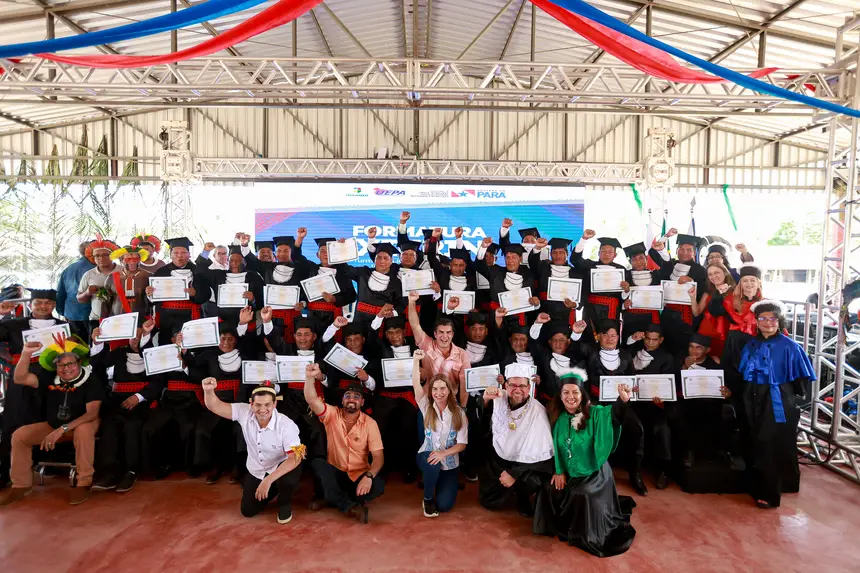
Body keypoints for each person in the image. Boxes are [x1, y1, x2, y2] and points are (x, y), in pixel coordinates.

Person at [533, 370, 636, 557]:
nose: (570, 397)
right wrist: (559, 471)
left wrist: (622, 401)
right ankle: (558, 527)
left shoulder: (594, 414)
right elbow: (555, 447)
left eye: (575, 392)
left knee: (582, 494)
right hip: (568, 471)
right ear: (560, 396)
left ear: (582, 395)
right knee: (548, 489)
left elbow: (613, 416)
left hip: (594, 473)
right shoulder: (557, 418)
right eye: (566, 392)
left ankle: (581, 534)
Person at [0, 334, 103, 506]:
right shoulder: (49, 378)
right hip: (54, 425)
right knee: (20, 435)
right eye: (61, 365)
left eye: (70, 364)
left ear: (79, 363)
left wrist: (61, 430)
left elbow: (92, 414)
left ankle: (84, 482)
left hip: (80, 425)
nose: (66, 369)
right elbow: (19, 378)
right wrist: (26, 353)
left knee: (83, 430)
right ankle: (21, 485)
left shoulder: (91, 380)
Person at [735, 300, 815, 509]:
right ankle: (757, 486)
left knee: (770, 442)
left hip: (777, 398)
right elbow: (744, 373)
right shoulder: (751, 344)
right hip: (752, 396)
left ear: (779, 321)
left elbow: (801, 381)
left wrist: (786, 395)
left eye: (772, 319)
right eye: (763, 318)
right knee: (753, 439)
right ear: (756, 321)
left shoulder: (791, 347)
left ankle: (770, 494)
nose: (768, 322)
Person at [202, 378, 305, 524]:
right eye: (258, 405)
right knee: (248, 510)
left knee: (287, 480)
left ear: (274, 404)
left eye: (267, 405)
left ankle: (284, 502)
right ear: (251, 404)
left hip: (282, 465)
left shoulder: (286, 425)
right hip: (258, 469)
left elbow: (295, 458)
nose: (262, 410)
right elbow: (215, 406)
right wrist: (208, 390)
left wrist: (268, 480)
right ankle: (274, 488)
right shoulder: (244, 411)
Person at [570, 319, 647, 496]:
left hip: (620, 403)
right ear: (599, 336)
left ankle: (635, 473)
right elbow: (574, 352)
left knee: (636, 428)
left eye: (614, 335)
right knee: (593, 430)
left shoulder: (625, 355)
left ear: (618, 337)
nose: (610, 338)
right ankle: (593, 473)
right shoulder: (590, 351)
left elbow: (632, 378)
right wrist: (575, 333)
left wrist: (632, 390)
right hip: (596, 403)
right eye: (606, 335)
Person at [0, 289, 66, 488]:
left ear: (54, 305)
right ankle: (6, 471)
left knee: (47, 420)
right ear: (30, 304)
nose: (43, 306)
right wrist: (1, 313)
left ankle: (48, 463)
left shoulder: (65, 326)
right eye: (38, 302)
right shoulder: (12, 324)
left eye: (48, 302)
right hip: (21, 379)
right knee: (15, 420)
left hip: (52, 379)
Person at [304, 364, 384, 523]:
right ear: (342, 400)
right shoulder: (332, 414)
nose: (351, 399)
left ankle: (330, 497)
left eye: (356, 396)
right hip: (336, 473)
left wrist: (368, 477)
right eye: (348, 395)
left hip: (358, 474)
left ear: (362, 402)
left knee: (378, 486)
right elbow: (312, 400)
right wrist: (309, 377)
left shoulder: (370, 423)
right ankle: (350, 507)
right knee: (318, 464)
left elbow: (378, 457)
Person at [90, 322, 163, 493]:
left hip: (143, 403)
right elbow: (97, 363)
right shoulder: (119, 353)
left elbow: (159, 381)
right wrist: (97, 342)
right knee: (109, 428)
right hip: (117, 401)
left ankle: (131, 471)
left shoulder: (153, 355)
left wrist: (138, 397)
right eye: (133, 336)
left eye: (141, 336)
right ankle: (109, 472)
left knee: (132, 427)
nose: (136, 339)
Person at [478, 363, 554, 517]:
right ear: (506, 385)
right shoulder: (499, 399)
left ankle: (522, 496)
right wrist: (485, 400)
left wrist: (514, 474)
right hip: (500, 459)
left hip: (524, 465)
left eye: (522, 386)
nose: (517, 390)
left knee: (532, 481)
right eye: (513, 385)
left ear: (529, 387)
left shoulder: (537, 410)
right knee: (488, 501)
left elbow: (544, 457)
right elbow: (483, 427)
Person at [411, 350, 469, 517]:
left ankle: (437, 482)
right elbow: (416, 385)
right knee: (432, 462)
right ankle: (428, 499)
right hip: (427, 456)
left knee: (444, 505)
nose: (439, 392)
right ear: (431, 392)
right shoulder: (426, 406)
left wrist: (443, 453)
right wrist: (416, 361)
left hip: (450, 463)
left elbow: (462, 444)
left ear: (449, 390)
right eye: (435, 389)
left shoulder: (459, 413)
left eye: (443, 388)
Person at [677, 333, 740, 471]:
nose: (694, 351)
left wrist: (727, 392)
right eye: (691, 347)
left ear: (707, 350)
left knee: (722, 415)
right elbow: (676, 384)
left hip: (712, 402)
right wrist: (684, 367)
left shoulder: (715, 364)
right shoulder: (682, 361)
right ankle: (689, 452)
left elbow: (727, 386)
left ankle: (725, 453)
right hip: (689, 403)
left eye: (698, 347)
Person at [628, 324, 676, 489]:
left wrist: (661, 398)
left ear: (661, 340)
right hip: (633, 404)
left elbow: (667, 384)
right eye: (647, 339)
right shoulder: (634, 353)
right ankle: (633, 469)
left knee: (661, 428)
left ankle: (663, 470)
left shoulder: (667, 358)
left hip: (654, 405)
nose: (650, 343)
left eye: (654, 340)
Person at [649, 230, 708, 357]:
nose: (685, 252)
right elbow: (653, 252)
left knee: (684, 351)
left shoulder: (701, 270)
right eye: (681, 249)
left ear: (694, 252)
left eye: (689, 250)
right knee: (666, 348)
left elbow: (704, 292)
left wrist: (691, 282)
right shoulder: (671, 265)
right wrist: (666, 237)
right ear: (677, 251)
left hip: (687, 317)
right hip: (668, 315)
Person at [407, 290, 471, 406]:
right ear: (435, 334)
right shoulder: (427, 344)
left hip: (451, 402)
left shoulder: (462, 354)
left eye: (448, 332)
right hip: (428, 401)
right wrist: (411, 302)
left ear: (452, 334)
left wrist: (463, 408)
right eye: (441, 332)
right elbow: (415, 325)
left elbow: (464, 384)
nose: (445, 336)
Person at [146, 237, 212, 343]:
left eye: (183, 252)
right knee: (167, 346)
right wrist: (149, 294)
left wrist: (195, 294)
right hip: (167, 319)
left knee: (191, 345)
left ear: (189, 254)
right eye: (176, 252)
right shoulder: (161, 272)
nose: (179, 255)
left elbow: (207, 294)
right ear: (170, 254)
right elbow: (152, 300)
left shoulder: (198, 271)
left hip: (191, 316)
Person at [293, 237, 357, 334]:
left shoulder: (343, 272)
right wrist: (300, 238)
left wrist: (335, 299)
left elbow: (352, 296)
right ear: (317, 255)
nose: (326, 254)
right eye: (323, 251)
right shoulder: (310, 269)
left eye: (329, 251)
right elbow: (296, 257)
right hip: (313, 317)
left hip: (334, 317)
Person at [570, 230, 627, 330]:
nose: (606, 254)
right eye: (603, 251)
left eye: (610, 252)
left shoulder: (622, 270)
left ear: (615, 255)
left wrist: (626, 289)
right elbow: (575, 259)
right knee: (590, 334)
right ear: (598, 253)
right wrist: (584, 239)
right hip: (591, 308)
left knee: (609, 334)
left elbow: (626, 294)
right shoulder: (589, 266)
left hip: (612, 309)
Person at [529, 237, 583, 327]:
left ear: (567, 254)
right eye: (554, 253)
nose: (558, 256)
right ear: (550, 254)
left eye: (561, 252)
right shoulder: (543, 268)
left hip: (566, 316)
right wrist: (538, 247)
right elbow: (533, 262)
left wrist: (574, 304)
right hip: (544, 312)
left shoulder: (576, 273)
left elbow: (582, 296)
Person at [689, 262, 736, 359]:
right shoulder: (708, 292)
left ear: (725, 273)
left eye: (716, 272)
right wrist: (692, 297)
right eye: (710, 274)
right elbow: (696, 313)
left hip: (725, 331)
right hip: (706, 330)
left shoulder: (735, 291)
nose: (713, 276)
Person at [76, 238, 120, 332]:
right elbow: (80, 299)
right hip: (96, 320)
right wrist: (87, 293)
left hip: (120, 318)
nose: (101, 258)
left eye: (105, 255)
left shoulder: (123, 271)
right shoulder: (88, 275)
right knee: (96, 342)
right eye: (97, 255)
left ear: (112, 255)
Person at [620, 242, 662, 338]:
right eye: (634, 259)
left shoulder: (656, 275)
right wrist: (624, 304)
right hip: (631, 318)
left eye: (641, 258)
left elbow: (667, 267)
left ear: (646, 258)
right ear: (630, 261)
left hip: (651, 318)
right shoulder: (624, 276)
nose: (638, 262)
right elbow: (617, 297)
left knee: (651, 343)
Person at [55, 241, 95, 342]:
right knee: (93, 344)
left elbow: (60, 293)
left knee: (77, 344)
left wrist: (61, 311)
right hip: (91, 313)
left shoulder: (68, 268)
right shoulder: (96, 270)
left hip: (71, 313)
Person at [103, 244, 152, 317]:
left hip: (142, 319)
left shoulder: (148, 276)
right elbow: (105, 303)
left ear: (140, 260)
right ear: (121, 261)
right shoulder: (111, 278)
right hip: (117, 319)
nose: (132, 262)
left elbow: (155, 301)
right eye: (128, 259)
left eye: (135, 259)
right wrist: (102, 321)